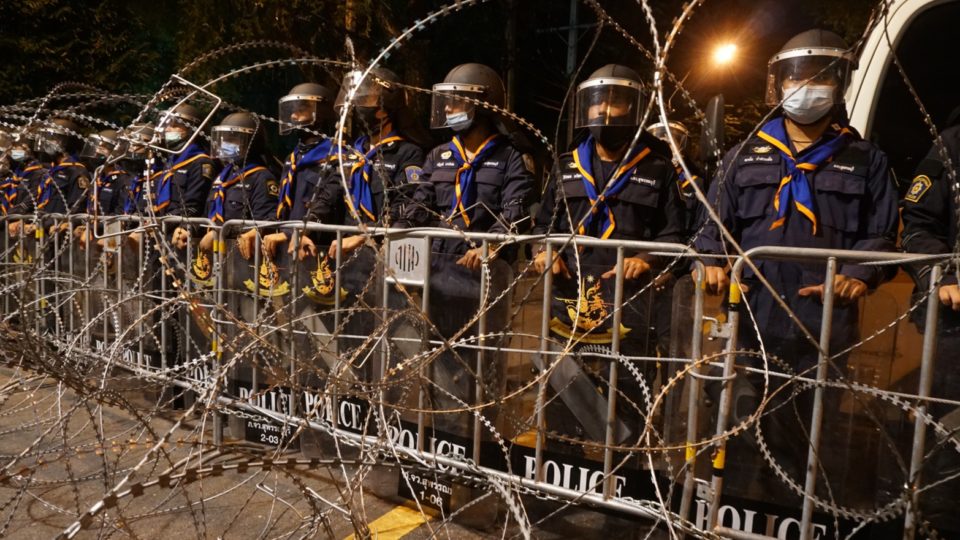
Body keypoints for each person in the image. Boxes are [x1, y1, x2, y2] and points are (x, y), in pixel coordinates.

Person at [694, 29, 899, 501]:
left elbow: (882, 235)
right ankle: (738, 515)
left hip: (823, 324)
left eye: (821, 77)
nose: (808, 87)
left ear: (841, 84)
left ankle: (796, 514)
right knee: (741, 424)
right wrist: (711, 264)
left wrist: (860, 274)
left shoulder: (866, 160)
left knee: (809, 432)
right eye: (798, 76)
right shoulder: (742, 155)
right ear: (778, 83)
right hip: (750, 321)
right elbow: (712, 230)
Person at [532, 64, 686, 449]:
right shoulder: (566, 164)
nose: (605, 112)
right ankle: (558, 469)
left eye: (616, 103)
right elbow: (542, 225)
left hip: (628, 301)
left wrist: (647, 258)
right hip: (569, 299)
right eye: (598, 102)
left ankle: (625, 474)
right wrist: (542, 250)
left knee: (628, 393)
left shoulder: (658, 167)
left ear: (633, 110)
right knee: (564, 389)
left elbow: (675, 235)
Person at [400, 63, 535, 438]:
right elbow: (418, 207)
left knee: (480, 366)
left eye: (457, 101)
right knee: (438, 363)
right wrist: (393, 246)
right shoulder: (438, 155)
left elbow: (515, 211)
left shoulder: (511, 157)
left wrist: (491, 244)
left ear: (485, 105)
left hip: (480, 281)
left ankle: (479, 443)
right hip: (438, 277)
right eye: (446, 102)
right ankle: (444, 436)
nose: (448, 109)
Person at [900, 126, 960, 533]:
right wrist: (946, 276)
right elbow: (918, 226)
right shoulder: (955, 143)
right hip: (958, 323)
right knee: (948, 442)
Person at [155, 103, 216, 250]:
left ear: (191, 130)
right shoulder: (172, 161)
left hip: (182, 234)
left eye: (175, 126)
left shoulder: (201, 163)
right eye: (167, 125)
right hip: (164, 231)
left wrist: (178, 225)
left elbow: (195, 205)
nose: (168, 129)